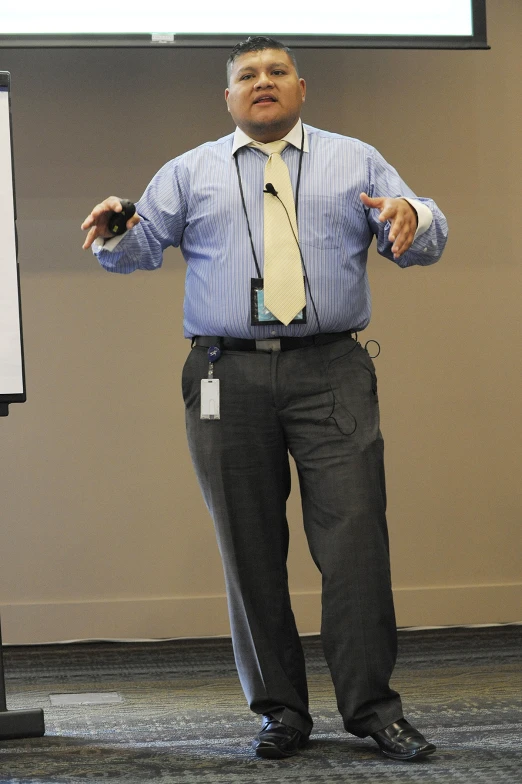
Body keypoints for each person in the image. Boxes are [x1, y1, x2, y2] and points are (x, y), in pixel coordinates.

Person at [82, 36, 447, 762]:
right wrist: (114, 229)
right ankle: (282, 712)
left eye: (277, 71)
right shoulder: (191, 171)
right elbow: (136, 249)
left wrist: (413, 214)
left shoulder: (355, 160)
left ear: (301, 87)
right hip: (225, 377)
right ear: (229, 98)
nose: (263, 82)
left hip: (331, 370)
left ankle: (373, 710)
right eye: (247, 75)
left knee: (355, 545)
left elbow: (419, 231)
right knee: (248, 547)